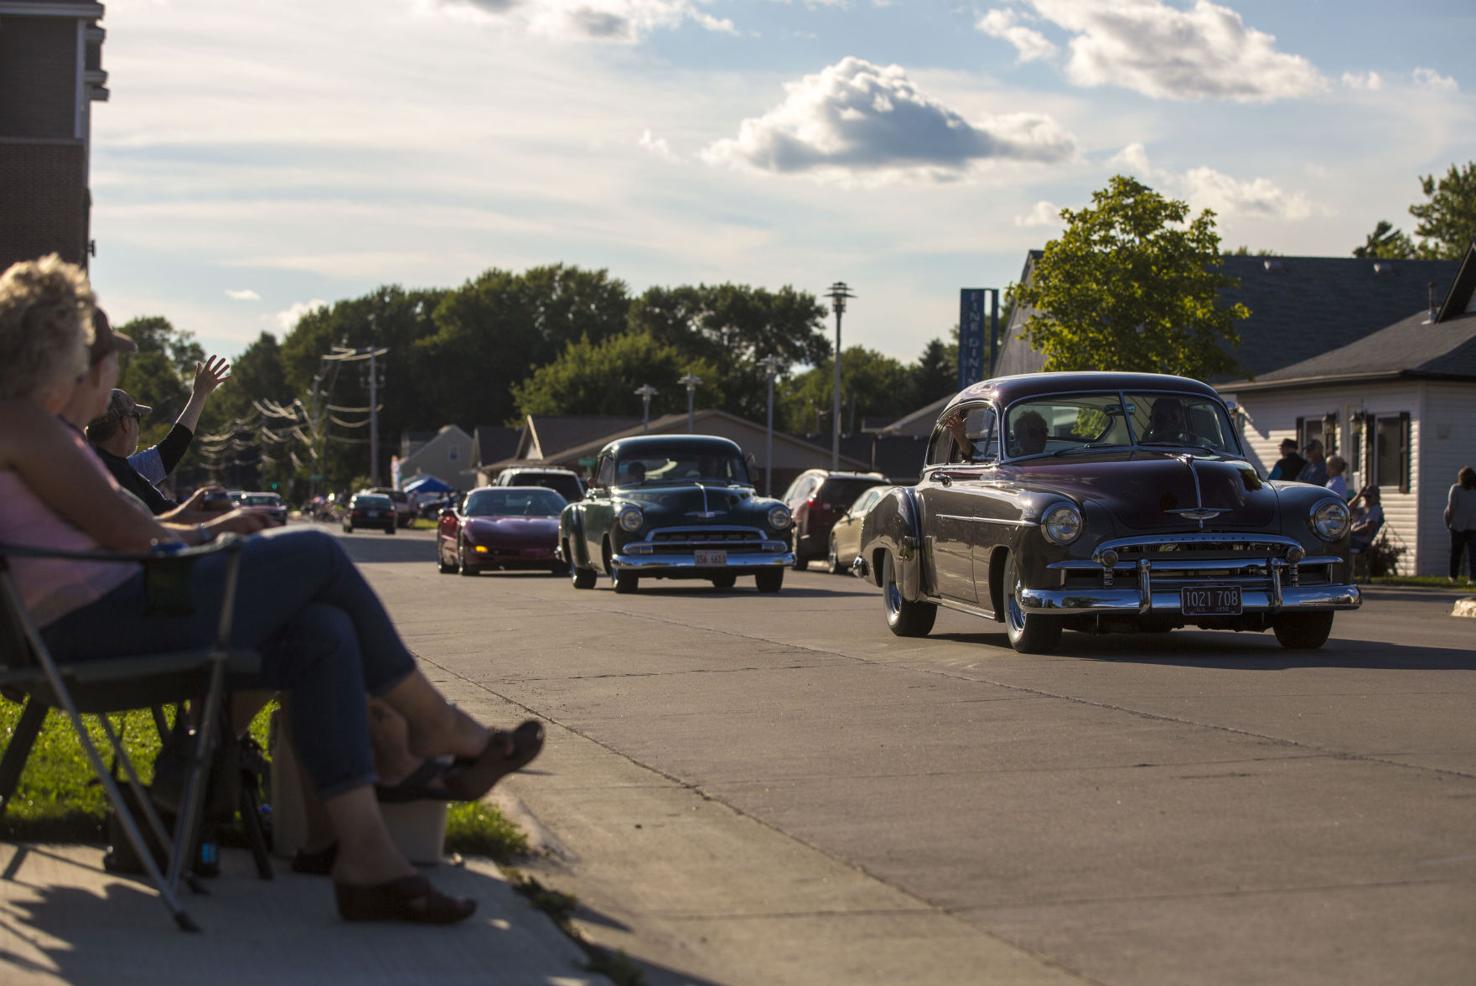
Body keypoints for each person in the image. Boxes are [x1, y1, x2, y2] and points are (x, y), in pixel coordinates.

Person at [0, 256, 541, 924]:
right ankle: (434, 725)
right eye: (89, 346)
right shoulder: (23, 421)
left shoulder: (37, 430)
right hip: (94, 632)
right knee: (314, 552)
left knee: (322, 633)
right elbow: (127, 533)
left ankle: (364, 857)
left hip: (111, 617)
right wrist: (213, 538)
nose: (99, 364)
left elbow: (122, 528)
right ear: (58, 345)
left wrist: (201, 536)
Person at [84, 311, 231, 515]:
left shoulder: (92, 461)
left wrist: (199, 395)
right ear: (125, 423)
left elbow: (170, 451)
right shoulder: (115, 471)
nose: (138, 428)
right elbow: (172, 449)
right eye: (137, 418)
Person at [1445, 465, 1476, 583]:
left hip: (1458, 526)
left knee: (1456, 553)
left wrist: (1448, 522)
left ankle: (1453, 577)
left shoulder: (1456, 489)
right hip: (1473, 526)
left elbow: (1451, 508)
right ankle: (1473, 578)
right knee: (1473, 554)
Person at [1349, 487, 1384, 553]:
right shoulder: (1365, 507)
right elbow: (1348, 509)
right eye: (1365, 496)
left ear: (1376, 497)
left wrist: (1351, 533)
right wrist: (1359, 495)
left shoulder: (1375, 510)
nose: (1366, 498)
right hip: (1353, 539)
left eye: (1369, 496)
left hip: (1360, 542)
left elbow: (1367, 527)